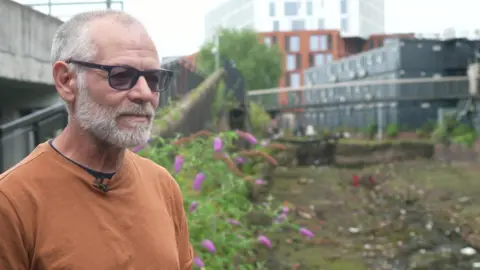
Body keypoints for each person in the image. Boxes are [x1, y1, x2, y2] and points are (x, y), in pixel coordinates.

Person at [0, 10, 193, 270]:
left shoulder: (162, 186)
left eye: (153, 78)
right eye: (121, 75)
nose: (145, 94)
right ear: (66, 81)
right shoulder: (12, 201)